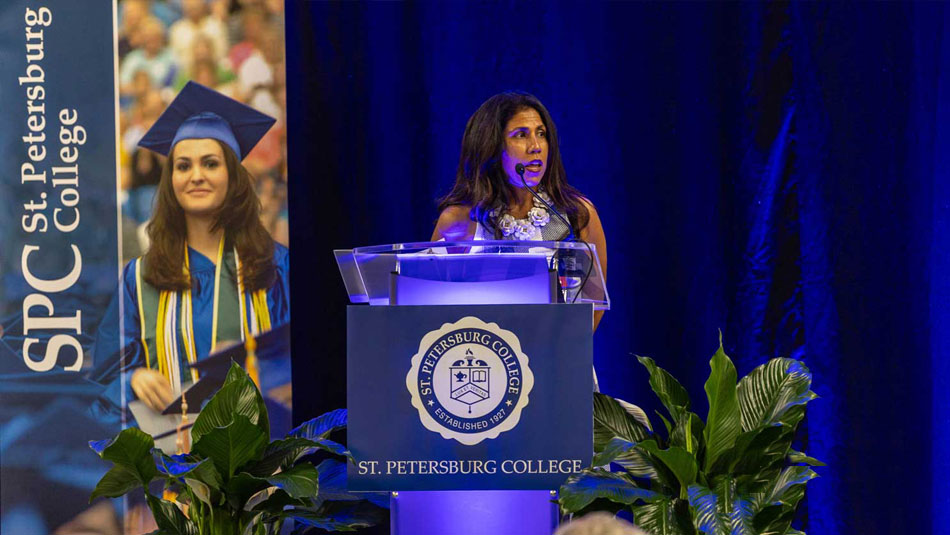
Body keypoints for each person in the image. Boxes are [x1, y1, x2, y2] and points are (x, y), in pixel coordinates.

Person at [90, 81, 290, 416]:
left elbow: (304, 361)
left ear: (232, 176)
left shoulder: (275, 266)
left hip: (260, 456)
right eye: (183, 166)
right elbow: (106, 373)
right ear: (171, 180)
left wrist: (254, 368)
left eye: (210, 163)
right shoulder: (139, 279)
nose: (196, 175)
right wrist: (134, 378)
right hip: (169, 459)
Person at [432, 91, 608, 330]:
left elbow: (594, 306)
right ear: (492, 147)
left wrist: (567, 350)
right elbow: (431, 306)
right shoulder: (460, 221)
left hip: (559, 359)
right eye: (521, 135)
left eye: (541, 134)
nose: (536, 147)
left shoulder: (576, 215)